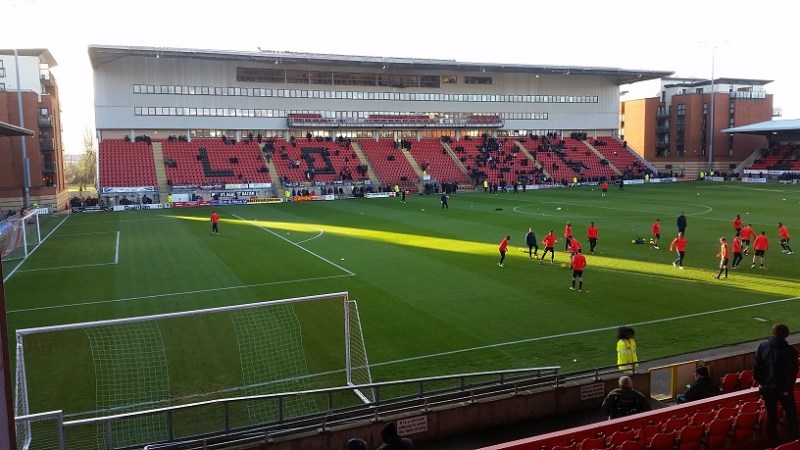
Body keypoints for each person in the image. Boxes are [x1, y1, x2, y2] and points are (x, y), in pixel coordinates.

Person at [753, 323, 799, 447]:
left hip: (768, 389)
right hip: (783, 390)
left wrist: (762, 383)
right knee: (791, 416)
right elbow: (792, 372)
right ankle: (794, 443)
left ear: (773, 333)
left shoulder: (763, 347)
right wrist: (786, 389)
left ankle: (774, 445)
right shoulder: (791, 351)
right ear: (786, 335)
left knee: (771, 418)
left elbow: (757, 368)